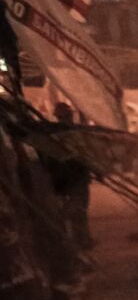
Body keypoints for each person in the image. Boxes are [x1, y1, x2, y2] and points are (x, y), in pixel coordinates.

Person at [43, 103, 94, 249]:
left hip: (64, 179)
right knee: (78, 209)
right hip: (74, 177)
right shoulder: (72, 132)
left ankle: (79, 240)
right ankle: (80, 240)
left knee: (75, 210)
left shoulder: (52, 133)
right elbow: (86, 153)